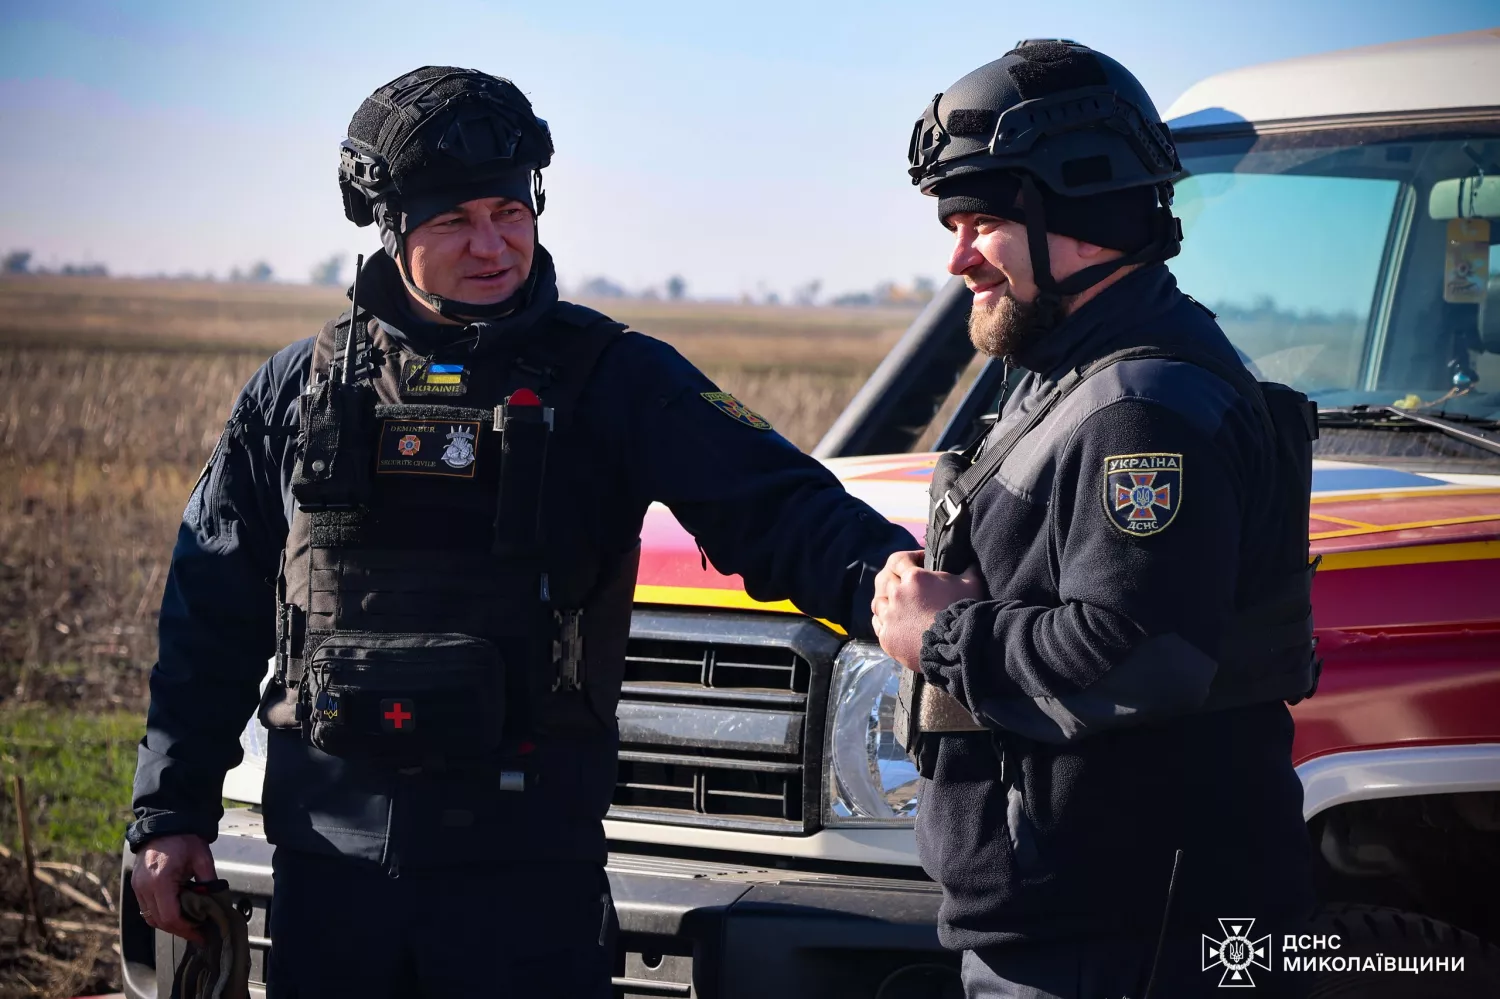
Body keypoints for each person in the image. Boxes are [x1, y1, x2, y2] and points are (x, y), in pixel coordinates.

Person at [128, 65, 913, 998]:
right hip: (328, 872)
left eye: (510, 211)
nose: (492, 245)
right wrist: (168, 813)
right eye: (454, 221)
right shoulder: (297, 389)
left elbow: (777, 505)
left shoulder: (616, 378)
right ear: (392, 229)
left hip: (526, 875)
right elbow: (208, 611)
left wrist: (891, 583)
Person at [871, 41, 1320, 999]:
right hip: (1069, 921)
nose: (956, 258)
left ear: (1076, 214)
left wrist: (940, 635)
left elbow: (1137, 653)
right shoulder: (1070, 378)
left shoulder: (1144, 409)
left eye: (980, 221)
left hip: (1126, 939)